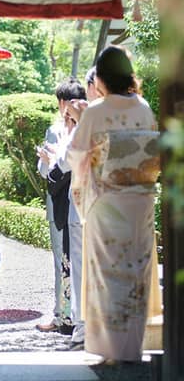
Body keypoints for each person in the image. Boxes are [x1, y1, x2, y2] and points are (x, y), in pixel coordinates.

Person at [66, 45, 161, 362]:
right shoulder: (144, 107)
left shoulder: (96, 111)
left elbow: (75, 155)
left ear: (102, 79)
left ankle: (108, 348)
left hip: (107, 200)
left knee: (108, 274)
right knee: (135, 270)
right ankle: (130, 347)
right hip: (141, 199)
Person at [36, 78, 86, 335]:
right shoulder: (54, 129)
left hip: (79, 199)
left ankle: (75, 318)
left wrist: (57, 158)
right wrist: (46, 160)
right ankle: (61, 314)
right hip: (57, 201)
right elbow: (45, 172)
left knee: (78, 261)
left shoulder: (88, 128)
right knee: (60, 261)